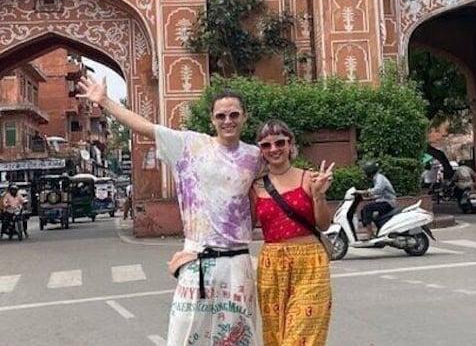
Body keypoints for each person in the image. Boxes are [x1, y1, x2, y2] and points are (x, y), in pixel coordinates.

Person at [77, 77, 263, 346]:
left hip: (237, 262)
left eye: (234, 114)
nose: (228, 121)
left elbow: (279, 180)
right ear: (212, 119)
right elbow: (146, 128)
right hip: (198, 257)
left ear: (244, 117)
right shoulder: (190, 145)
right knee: (185, 334)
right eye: (221, 115)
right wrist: (105, 102)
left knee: (236, 336)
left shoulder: (255, 156)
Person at [251, 120, 334, 346]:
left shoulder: (308, 178)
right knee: (276, 337)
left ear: (290, 144)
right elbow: (244, 226)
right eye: (266, 145)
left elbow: (324, 225)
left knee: (301, 336)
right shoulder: (256, 186)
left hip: (310, 263)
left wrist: (319, 196)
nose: (274, 149)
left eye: (279, 142)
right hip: (272, 266)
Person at [358, 161, 397, 235]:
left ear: (369, 171)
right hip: (383, 201)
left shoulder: (379, 178)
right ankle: (379, 232)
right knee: (365, 211)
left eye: (365, 171)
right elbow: (379, 194)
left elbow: (378, 189)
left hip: (387, 203)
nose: (365, 174)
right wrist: (366, 198)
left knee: (367, 208)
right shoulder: (377, 178)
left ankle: (369, 233)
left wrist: (364, 192)